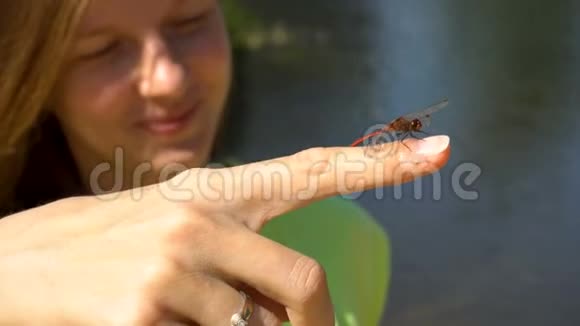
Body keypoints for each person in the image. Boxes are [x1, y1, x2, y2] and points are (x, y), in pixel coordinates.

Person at [0, 0, 451, 325]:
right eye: (100, 50)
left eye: (191, 19)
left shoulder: (348, 240)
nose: (168, 79)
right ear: (37, 75)